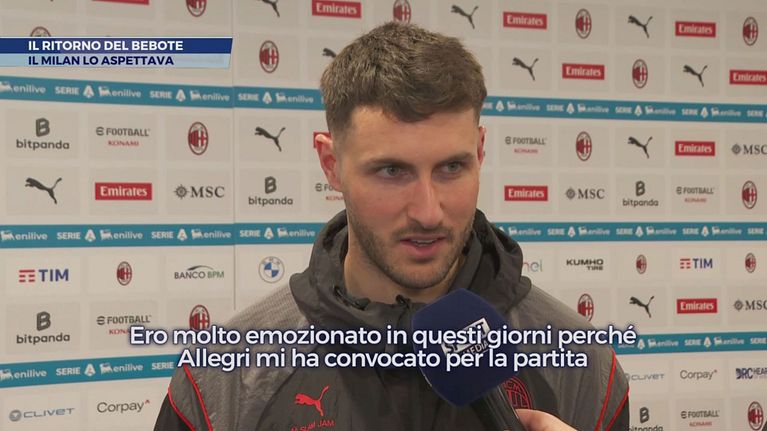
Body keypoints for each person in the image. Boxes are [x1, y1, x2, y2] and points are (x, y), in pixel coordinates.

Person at [154, 22, 629, 431]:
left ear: (481, 152)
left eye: (452, 168)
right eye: (391, 171)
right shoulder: (225, 379)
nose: (428, 211)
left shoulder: (584, 368)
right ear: (331, 164)